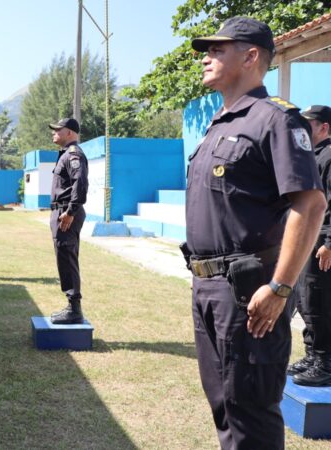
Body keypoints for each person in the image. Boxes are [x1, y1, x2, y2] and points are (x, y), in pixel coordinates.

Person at [186, 17, 325, 449]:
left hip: (247, 292)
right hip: (206, 285)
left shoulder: (275, 120)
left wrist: (281, 287)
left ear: (250, 57)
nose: (206, 58)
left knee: (250, 411)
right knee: (225, 406)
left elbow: (311, 204)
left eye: (218, 49)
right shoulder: (219, 123)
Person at [289, 105, 331, 387]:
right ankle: (312, 354)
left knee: (319, 301)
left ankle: (325, 362)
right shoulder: (312, 156)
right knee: (306, 300)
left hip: (321, 243)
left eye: (310, 124)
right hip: (308, 240)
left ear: (324, 128)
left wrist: (329, 241)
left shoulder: (329, 156)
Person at [48, 118, 88, 324]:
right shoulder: (65, 154)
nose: (53, 133)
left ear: (70, 133)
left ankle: (74, 308)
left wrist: (71, 211)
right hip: (62, 211)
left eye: (58, 130)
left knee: (67, 257)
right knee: (64, 256)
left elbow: (80, 184)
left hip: (66, 213)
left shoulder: (73, 155)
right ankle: (71, 305)